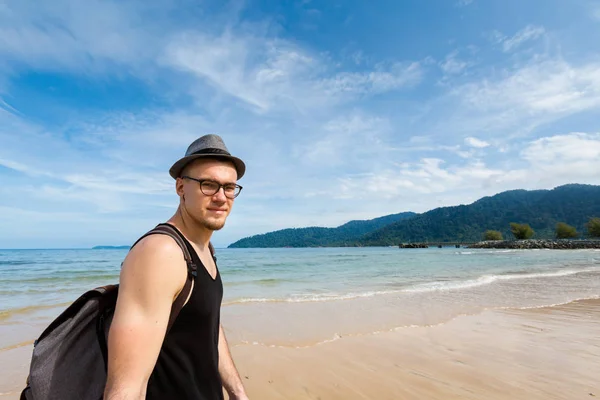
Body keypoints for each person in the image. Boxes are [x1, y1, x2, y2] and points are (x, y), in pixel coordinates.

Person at [104, 134, 249, 400]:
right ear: (181, 187)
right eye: (208, 185)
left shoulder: (204, 250)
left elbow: (209, 326)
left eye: (229, 187)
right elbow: (127, 385)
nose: (221, 197)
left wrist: (238, 392)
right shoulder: (161, 253)